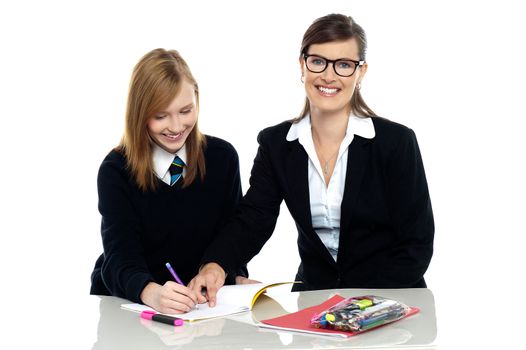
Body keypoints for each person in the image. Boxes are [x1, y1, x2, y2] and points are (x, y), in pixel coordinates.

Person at [189, 14, 434, 306]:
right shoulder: (277, 144)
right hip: (315, 305)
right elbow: (254, 219)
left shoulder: (396, 143)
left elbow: (416, 244)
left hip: (389, 302)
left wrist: (361, 305)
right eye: (318, 61)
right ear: (302, 65)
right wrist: (216, 265)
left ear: (361, 72)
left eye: (344, 65)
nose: (328, 76)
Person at [90, 48, 248, 314]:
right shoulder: (116, 170)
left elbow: (231, 238)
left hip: (199, 308)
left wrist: (227, 273)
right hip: (129, 303)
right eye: (161, 116)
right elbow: (119, 257)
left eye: (185, 111)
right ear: (140, 115)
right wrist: (150, 292)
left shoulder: (222, 158)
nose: (176, 127)